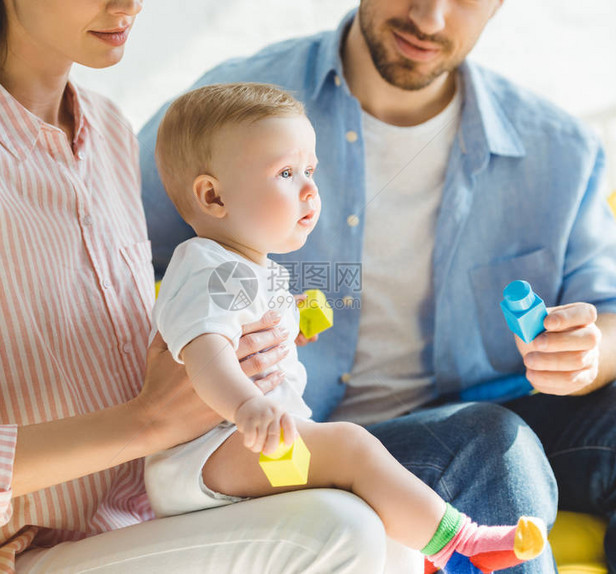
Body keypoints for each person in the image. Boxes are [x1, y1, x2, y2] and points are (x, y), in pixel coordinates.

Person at [137, 2, 616, 572]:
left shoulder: (557, 149)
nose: (431, 17)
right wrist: (207, 345)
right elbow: (119, 255)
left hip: (506, 413)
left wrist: (588, 353)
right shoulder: (233, 110)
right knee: (491, 442)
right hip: (324, 437)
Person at [0, 1, 390, 573]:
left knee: (383, 508)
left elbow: (162, 324)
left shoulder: (109, 130)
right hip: (11, 557)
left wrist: (240, 344)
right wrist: (148, 421)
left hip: (151, 520)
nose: (129, 4)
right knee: (342, 531)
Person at [145, 81, 548, 573]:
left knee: (358, 494)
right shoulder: (205, 265)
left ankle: (418, 549)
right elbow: (205, 351)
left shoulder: (252, 268)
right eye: (286, 173)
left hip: (248, 445)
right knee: (351, 447)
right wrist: (246, 404)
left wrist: (289, 325)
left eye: (310, 170)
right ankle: (460, 543)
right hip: (203, 458)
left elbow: (240, 334)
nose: (311, 189)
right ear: (213, 196)